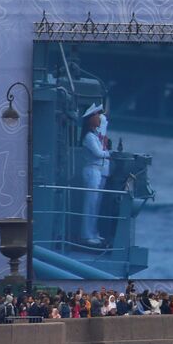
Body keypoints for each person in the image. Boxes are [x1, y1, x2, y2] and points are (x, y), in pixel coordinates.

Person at [79, 104, 110, 246]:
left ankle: (93, 232)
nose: (99, 118)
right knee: (89, 205)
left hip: (97, 171)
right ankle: (86, 234)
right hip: (92, 170)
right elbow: (98, 153)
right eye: (96, 115)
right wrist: (110, 154)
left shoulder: (94, 136)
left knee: (95, 204)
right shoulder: (89, 137)